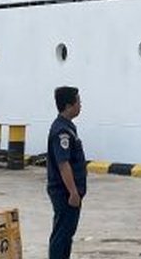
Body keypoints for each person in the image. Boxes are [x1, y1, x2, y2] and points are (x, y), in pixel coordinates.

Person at [48, 86, 87, 259]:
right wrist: (72, 192)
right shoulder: (62, 131)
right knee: (62, 234)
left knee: (67, 233)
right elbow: (64, 164)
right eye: (78, 101)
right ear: (68, 105)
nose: (81, 105)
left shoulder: (68, 127)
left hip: (70, 191)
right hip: (64, 192)